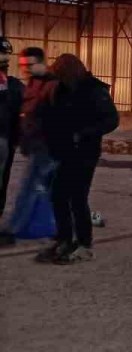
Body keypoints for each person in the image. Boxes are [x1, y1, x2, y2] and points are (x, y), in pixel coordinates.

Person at [39, 53, 119, 264]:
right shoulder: (62, 89)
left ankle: (84, 244)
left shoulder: (94, 90)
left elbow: (112, 119)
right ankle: (65, 240)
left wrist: (84, 133)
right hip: (64, 152)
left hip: (85, 153)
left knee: (77, 198)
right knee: (58, 196)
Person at [0, 48, 59, 248]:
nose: (26, 69)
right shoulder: (34, 83)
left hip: (48, 147)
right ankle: (62, 230)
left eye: (30, 64)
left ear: (43, 62)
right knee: (50, 192)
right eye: (23, 65)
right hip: (37, 146)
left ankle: (11, 231)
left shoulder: (53, 86)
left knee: (29, 190)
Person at [0, 37, 25, 245]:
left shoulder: (14, 85)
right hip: (4, 139)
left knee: (3, 182)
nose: (5, 59)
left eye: (6, 55)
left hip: (7, 140)